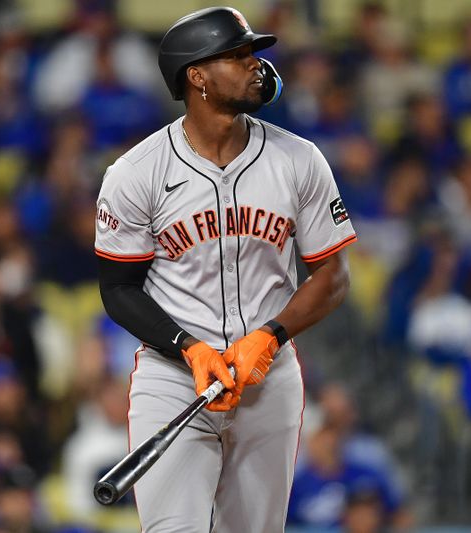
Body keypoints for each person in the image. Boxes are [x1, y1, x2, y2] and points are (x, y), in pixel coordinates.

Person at [94, 7, 356, 532]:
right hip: (175, 379)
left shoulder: (299, 160)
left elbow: (333, 275)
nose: (256, 64)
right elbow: (118, 290)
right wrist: (189, 349)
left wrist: (270, 335)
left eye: (254, 53)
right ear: (198, 76)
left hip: (267, 376)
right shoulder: (137, 173)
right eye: (238, 56)